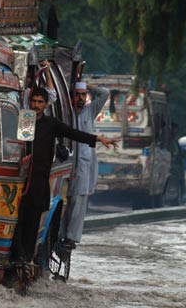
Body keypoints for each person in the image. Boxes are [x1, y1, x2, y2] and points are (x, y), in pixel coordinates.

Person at [12, 87, 116, 270]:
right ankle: (19, 257)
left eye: (40, 102)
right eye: (34, 101)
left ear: (45, 104)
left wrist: (98, 139)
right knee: (19, 220)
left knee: (34, 221)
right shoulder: (25, 121)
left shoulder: (51, 124)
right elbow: (20, 145)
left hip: (40, 180)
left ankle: (28, 258)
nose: (36, 105)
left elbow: (74, 134)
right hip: (23, 179)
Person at [59, 81, 111, 249]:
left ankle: (71, 238)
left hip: (84, 165)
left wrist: (87, 85)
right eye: (77, 94)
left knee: (79, 200)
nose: (80, 98)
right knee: (63, 201)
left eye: (83, 95)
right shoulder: (65, 113)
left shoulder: (90, 111)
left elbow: (104, 93)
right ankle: (59, 234)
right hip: (66, 163)